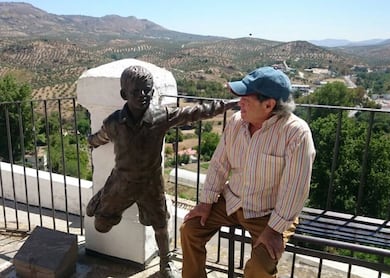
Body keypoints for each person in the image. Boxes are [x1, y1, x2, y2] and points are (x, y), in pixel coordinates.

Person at [86, 65, 238, 278]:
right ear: (124, 94)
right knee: (101, 226)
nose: (143, 95)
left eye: (147, 90)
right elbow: (102, 136)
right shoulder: (114, 122)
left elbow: (194, 113)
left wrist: (227, 105)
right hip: (122, 181)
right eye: (137, 91)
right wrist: (91, 141)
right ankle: (101, 197)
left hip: (151, 183)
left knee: (160, 224)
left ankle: (165, 262)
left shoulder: (161, 116)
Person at [180, 66, 316, 278]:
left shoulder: (296, 133)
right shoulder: (236, 123)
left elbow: (295, 188)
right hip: (232, 200)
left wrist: (274, 230)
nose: (239, 102)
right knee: (190, 230)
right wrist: (206, 203)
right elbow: (219, 165)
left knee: (261, 267)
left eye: (246, 98)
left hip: (269, 212)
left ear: (269, 105)